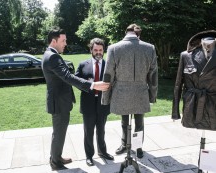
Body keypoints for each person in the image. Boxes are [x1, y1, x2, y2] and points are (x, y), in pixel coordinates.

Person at [41, 28, 109, 171]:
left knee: (59, 132)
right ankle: (55, 162)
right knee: (59, 133)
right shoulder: (53, 57)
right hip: (59, 102)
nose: (65, 43)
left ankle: (57, 156)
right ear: (54, 41)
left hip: (60, 102)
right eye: (63, 40)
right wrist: (92, 84)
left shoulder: (51, 55)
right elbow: (67, 76)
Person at [101, 24, 158, 159]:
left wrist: (106, 97)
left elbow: (108, 74)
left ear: (125, 32)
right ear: (138, 34)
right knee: (139, 122)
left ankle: (125, 144)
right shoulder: (149, 48)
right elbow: (153, 75)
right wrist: (153, 95)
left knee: (124, 122)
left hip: (121, 92)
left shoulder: (113, 48)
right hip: (141, 92)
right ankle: (138, 147)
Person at [75, 38, 114, 166]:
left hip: (103, 104)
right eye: (96, 50)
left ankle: (103, 152)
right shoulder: (82, 65)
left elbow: (114, 81)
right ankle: (89, 156)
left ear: (103, 50)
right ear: (91, 50)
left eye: (101, 50)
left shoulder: (109, 65)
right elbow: (76, 82)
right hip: (88, 104)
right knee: (89, 132)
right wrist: (91, 84)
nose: (98, 52)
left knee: (101, 130)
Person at [172, 30, 216, 130]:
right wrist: (175, 112)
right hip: (192, 108)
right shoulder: (186, 56)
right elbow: (178, 86)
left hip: (213, 107)